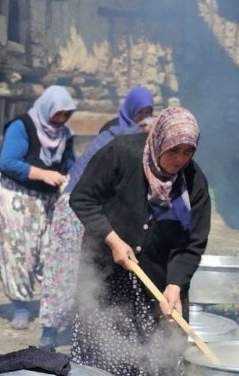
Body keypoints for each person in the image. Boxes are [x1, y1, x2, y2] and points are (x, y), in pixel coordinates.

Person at [69, 106, 210, 376]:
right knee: (108, 350)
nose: (180, 158)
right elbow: (82, 198)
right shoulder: (121, 154)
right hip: (109, 273)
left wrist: (176, 285)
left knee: (163, 351)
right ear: (158, 140)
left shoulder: (193, 182)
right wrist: (113, 240)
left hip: (159, 280)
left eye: (188, 151)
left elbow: (191, 244)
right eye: (174, 149)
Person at [37, 86, 155, 348]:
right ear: (129, 111)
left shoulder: (135, 139)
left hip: (94, 210)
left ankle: (74, 330)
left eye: (149, 112)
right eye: (140, 112)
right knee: (62, 270)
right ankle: (48, 331)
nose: (144, 117)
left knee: (86, 271)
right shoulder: (116, 136)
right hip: (75, 206)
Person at [0, 85, 76, 330]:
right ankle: (20, 307)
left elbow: (69, 164)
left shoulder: (65, 134)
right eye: (58, 113)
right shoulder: (22, 126)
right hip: (14, 196)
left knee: (51, 251)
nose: (61, 119)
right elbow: (7, 162)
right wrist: (42, 174)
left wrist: (70, 179)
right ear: (48, 108)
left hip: (46, 199)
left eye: (66, 114)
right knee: (18, 251)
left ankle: (54, 308)